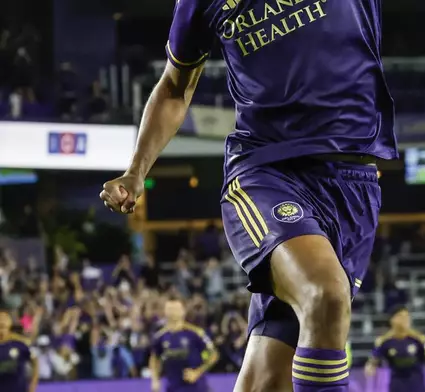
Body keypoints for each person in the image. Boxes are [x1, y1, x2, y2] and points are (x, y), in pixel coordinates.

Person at [99, 0, 396, 391]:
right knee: (325, 296)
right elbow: (175, 85)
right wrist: (137, 170)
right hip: (267, 172)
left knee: (268, 376)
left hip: (354, 185)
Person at [150, 298, 219, 392]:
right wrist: (155, 380)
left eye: (175, 309)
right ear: (165, 311)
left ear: (183, 311)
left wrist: (197, 372)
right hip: (173, 388)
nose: (172, 312)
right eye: (169, 309)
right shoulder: (160, 337)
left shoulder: (195, 333)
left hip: (197, 388)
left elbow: (213, 355)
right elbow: (154, 358)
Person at [365, 306, 425, 392]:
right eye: (401, 316)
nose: (405, 319)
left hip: (416, 384)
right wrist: (370, 367)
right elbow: (374, 359)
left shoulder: (419, 339)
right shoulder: (385, 341)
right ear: (392, 320)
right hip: (397, 384)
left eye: (407, 316)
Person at [0, 311, 38, 392]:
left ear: (9, 326)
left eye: (3, 327)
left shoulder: (20, 343)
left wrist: (33, 385)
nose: (1, 330)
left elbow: (35, 362)